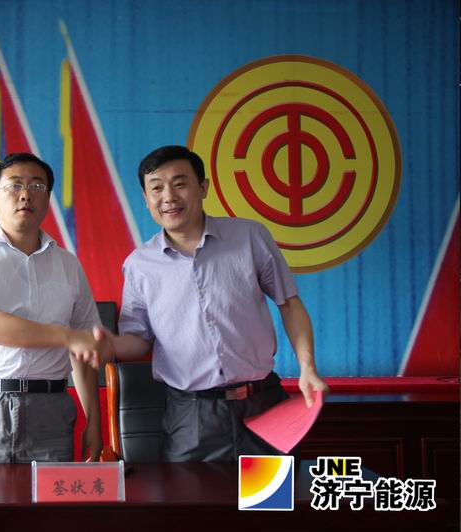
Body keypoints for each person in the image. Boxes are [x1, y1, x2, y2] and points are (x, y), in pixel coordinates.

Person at [89, 145, 329, 462]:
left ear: (203, 188)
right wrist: (111, 345)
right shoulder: (139, 265)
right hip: (191, 417)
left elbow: (290, 305)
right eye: (156, 188)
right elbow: (139, 340)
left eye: (180, 184)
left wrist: (307, 368)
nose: (168, 197)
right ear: (146, 199)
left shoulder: (249, 236)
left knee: (272, 494)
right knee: (192, 494)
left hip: (264, 406)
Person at [0, 152, 107, 463]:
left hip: (50, 409)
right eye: (14, 185)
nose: (26, 194)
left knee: (47, 496)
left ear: (48, 198)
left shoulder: (68, 264)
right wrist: (67, 336)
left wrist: (94, 422)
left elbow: (84, 350)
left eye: (37, 186)